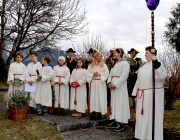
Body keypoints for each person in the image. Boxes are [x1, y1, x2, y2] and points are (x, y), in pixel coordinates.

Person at [132, 46, 167, 140]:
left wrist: (156, 63)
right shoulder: (144, 67)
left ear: (152, 54)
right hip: (142, 96)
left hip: (152, 96)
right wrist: (135, 94)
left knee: (150, 118)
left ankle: (152, 137)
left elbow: (161, 76)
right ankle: (141, 136)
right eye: (145, 52)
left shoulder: (158, 65)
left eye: (147, 53)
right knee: (142, 117)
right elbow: (138, 81)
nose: (145, 54)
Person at [106, 48, 130, 131]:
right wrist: (109, 83)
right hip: (113, 87)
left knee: (120, 103)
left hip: (120, 87)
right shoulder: (115, 64)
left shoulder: (125, 63)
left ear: (120, 53)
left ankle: (121, 122)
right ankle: (115, 120)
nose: (113, 54)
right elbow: (110, 75)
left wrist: (115, 84)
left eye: (115, 52)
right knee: (114, 103)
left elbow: (124, 76)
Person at [87, 52, 109, 120]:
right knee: (93, 97)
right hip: (93, 83)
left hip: (100, 83)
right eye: (98, 56)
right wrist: (92, 75)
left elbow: (107, 73)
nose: (99, 57)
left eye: (100, 56)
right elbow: (87, 74)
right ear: (95, 57)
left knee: (100, 97)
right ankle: (93, 113)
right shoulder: (91, 66)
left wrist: (99, 74)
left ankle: (99, 114)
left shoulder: (104, 65)